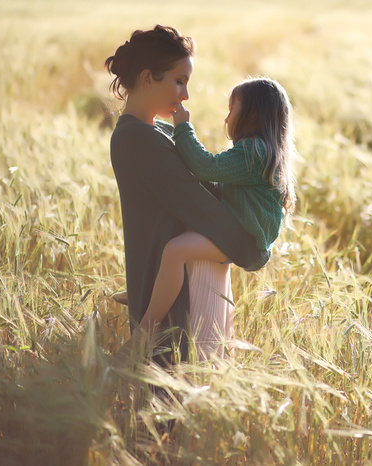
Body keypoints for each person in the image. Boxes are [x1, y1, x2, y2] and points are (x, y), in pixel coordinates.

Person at [106, 25, 270, 362]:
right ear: (148, 78)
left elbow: (204, 193)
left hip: (191, 276)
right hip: (183, 290)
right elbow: (200, 206)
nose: (185, 96)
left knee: (185, 401)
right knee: (175, 400)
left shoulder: (157, 131)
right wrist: (245, 246)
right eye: (179, 81)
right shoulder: (139, 139)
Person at [132, 77, 297, 357]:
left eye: (232, 108)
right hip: (238, 231)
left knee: (175, 251)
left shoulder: (254, 153)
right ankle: (150, 294)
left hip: (244, 239)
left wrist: (182, 127)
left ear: (252, 114)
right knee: (177, 230)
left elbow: (205, 167)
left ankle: (145, 328)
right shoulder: (260, 151)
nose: (227, 116)